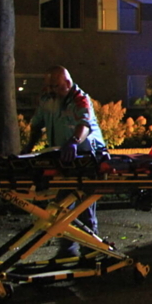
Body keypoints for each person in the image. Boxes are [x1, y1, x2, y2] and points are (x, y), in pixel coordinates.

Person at [21, 66, 107, 257]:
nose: (52, 90)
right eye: (50, 86)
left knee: (84, 209)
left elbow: (84, 125)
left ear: (68, 84)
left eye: (56, 86)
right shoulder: (48, 99)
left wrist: (74, 142)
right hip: (63, 158)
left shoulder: (80, 99)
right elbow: (37, 124)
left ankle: (90, 252)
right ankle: (68, 250)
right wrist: (29, 147)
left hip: (86, 158)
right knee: (60, 207)